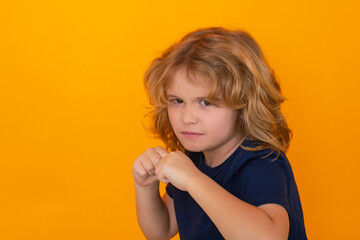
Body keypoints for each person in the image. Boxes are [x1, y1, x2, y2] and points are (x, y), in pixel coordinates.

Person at [132, 27, 307, 240]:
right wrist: (145, 186)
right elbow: (162, 230)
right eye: (177, 101)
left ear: (243, 104)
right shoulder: (193, 161)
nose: (187, 118)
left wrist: (193, 180)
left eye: (205, 102)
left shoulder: (261, 162)